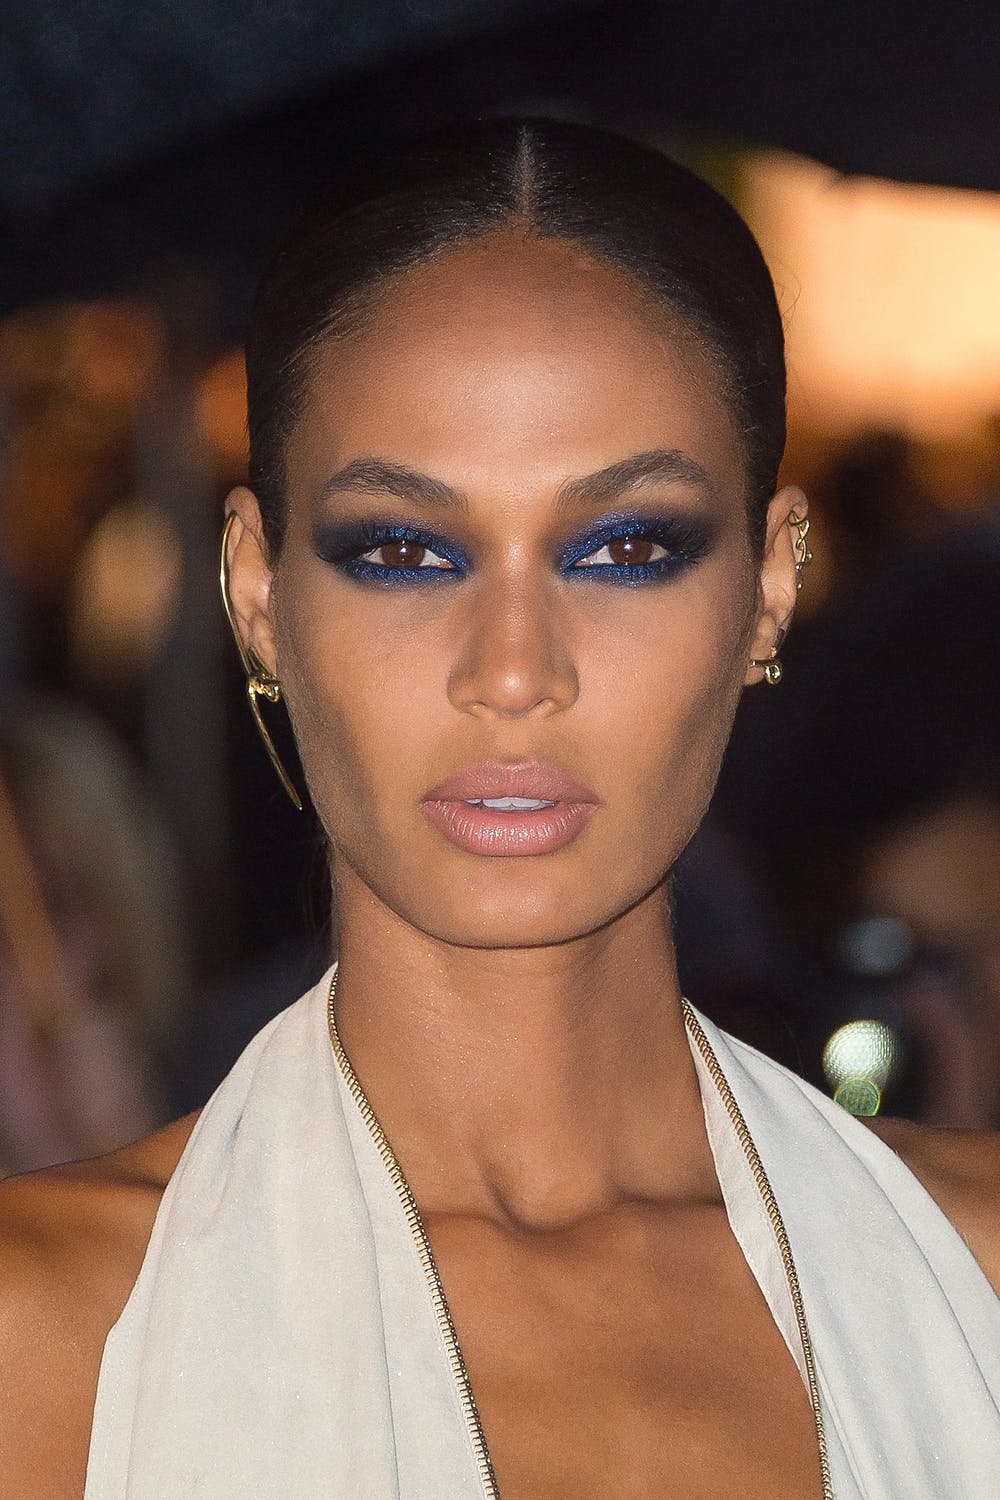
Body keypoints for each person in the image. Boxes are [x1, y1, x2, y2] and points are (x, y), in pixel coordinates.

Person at [2, 117, 999, 1500]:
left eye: (625, 548)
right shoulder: (42, 1340)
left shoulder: (972, 1283)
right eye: (404, 552)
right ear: (257, 590)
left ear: (770, 586)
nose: (515, 671)